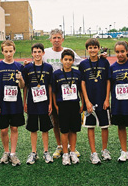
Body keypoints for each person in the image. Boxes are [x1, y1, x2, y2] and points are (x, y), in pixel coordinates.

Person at [42, 29, 83, 159]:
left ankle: (71, 148)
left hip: (70, 94)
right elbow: (36, 62)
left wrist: (98, 58)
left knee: (70, 122)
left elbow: (81, 63)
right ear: (50, 39)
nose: (56, 40)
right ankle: (60, 146)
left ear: (62, 39)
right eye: (54, 38)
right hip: (54, 90)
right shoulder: (45, 53)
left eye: (59, 37)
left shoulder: (68, 51)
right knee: (56, 120)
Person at [0, 40, 25, 166]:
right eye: (6, 51)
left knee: (14, 128)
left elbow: (22, 86)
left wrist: (21, 79)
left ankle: (13, 153)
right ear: (2, 52)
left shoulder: (19, 66)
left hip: (15, 103)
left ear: (14, 51)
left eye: (11, 51)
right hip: (2, 103)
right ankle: (6, 152)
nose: (9, 54)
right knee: (4, 129)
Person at [79, 38, 110, 164]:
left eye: (95, 47)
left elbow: (108, 81)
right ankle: (93, 153)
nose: (92, 50)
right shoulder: (83, 64)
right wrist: (86, 100)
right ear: (87, 50)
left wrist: (107, 99)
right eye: (90, 48)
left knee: (104, 126)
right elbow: (82, 83)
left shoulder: (104, 62)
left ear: (98, 48)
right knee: (90, 126)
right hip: (89, 100)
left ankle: (104, 150)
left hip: (102, 99)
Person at [22, 43, 54, 164]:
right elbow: (25, 87)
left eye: (39, 52)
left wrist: (50, 103)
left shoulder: (48, 67)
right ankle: (34, 152)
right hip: (32, 102)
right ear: (32, 53)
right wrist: (24, 102)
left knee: (45, 128)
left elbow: (50, 86)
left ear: (43, 53)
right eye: (35, 52)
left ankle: (46, 152)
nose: (37, 54)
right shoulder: (27, 68)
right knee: (33, 128)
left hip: (45, 102)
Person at [52, 49, 83, 165]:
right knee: (64, 130)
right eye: (66, 59)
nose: (68, 62)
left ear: (73, 61)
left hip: (74, 104)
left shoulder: (77, 73)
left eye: (70, 60)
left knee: (74, 129)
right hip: (62, 105)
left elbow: (81, 90)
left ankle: (73, 152)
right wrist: (55, 105)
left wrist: (83, 103)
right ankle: (65, 153)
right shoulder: (56, 74)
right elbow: (54, 92)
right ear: (61, 60)